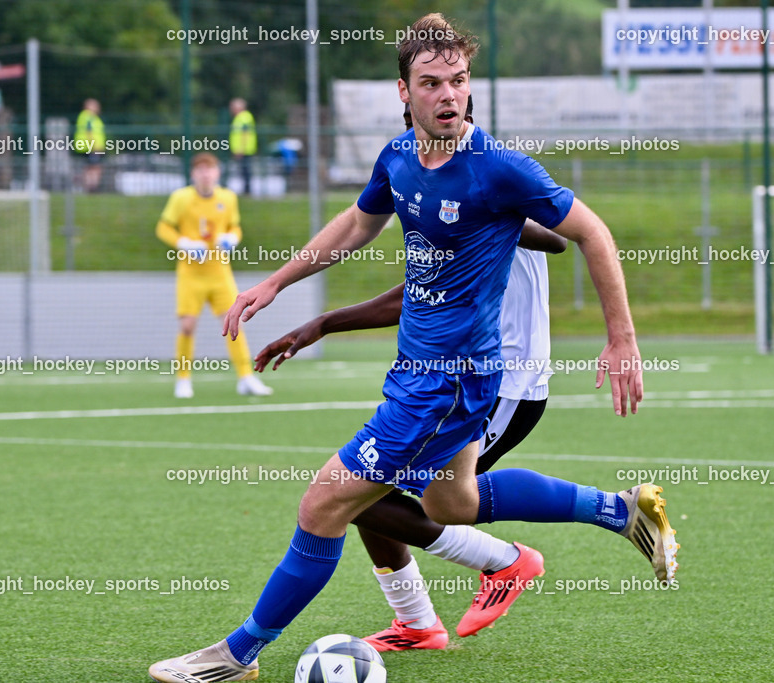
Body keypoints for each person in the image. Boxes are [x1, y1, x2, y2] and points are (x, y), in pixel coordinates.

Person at [149, 14, 677, 683]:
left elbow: (592, 232)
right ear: (404, 90)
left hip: (447, 383)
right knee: (452, 505)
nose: (449, 95)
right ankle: (622, 509)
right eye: (432, 83)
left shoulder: (499, 170)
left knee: (324, 503)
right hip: (421, 373)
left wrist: (622, 339)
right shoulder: (399, 157)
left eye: (457, 80)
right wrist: (278, 283)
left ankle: (235, 654)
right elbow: (358, 223)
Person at [250, 100, 569, 652]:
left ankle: (514, 560)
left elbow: (558, 236)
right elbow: (412, 293)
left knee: (386, 497)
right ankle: (418, 624)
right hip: (449, 379)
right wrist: (321, 323)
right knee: (367, 493)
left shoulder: (488, 183)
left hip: (502, 381)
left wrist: (490, 214)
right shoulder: (427, 192)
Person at [154, 152, 272, 399]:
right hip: (190, 274)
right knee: (187, 326)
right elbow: (163, 227)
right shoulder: (181, 198)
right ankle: (183, 379)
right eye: (200, 170)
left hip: (220, 273)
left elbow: (234, 227)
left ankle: (245, 377)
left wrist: (232, 239)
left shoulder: (227, 198)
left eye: (210, 170)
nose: (205, 175)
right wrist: (183, 242)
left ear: (217, 173)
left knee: (233, 323)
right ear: (193, 174)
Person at [74, 98, 105, 193]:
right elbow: (89, 132)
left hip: (88, 147)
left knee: (89, 168)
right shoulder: (89, 116)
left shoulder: (90, 117)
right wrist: (94, 146)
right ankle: (91, 189)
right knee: (94, 168)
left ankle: (88, 188)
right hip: (91, 147)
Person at [229, 98, 257, 196]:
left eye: (233, 107)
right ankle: (246, 190)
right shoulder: (240, 117)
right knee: (243, 170)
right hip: (242, 149)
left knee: (246, 170)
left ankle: (247, 191)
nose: (231, 109)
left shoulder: (244, 117)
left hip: (244, 150)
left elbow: (245, 133)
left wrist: (240, 149)